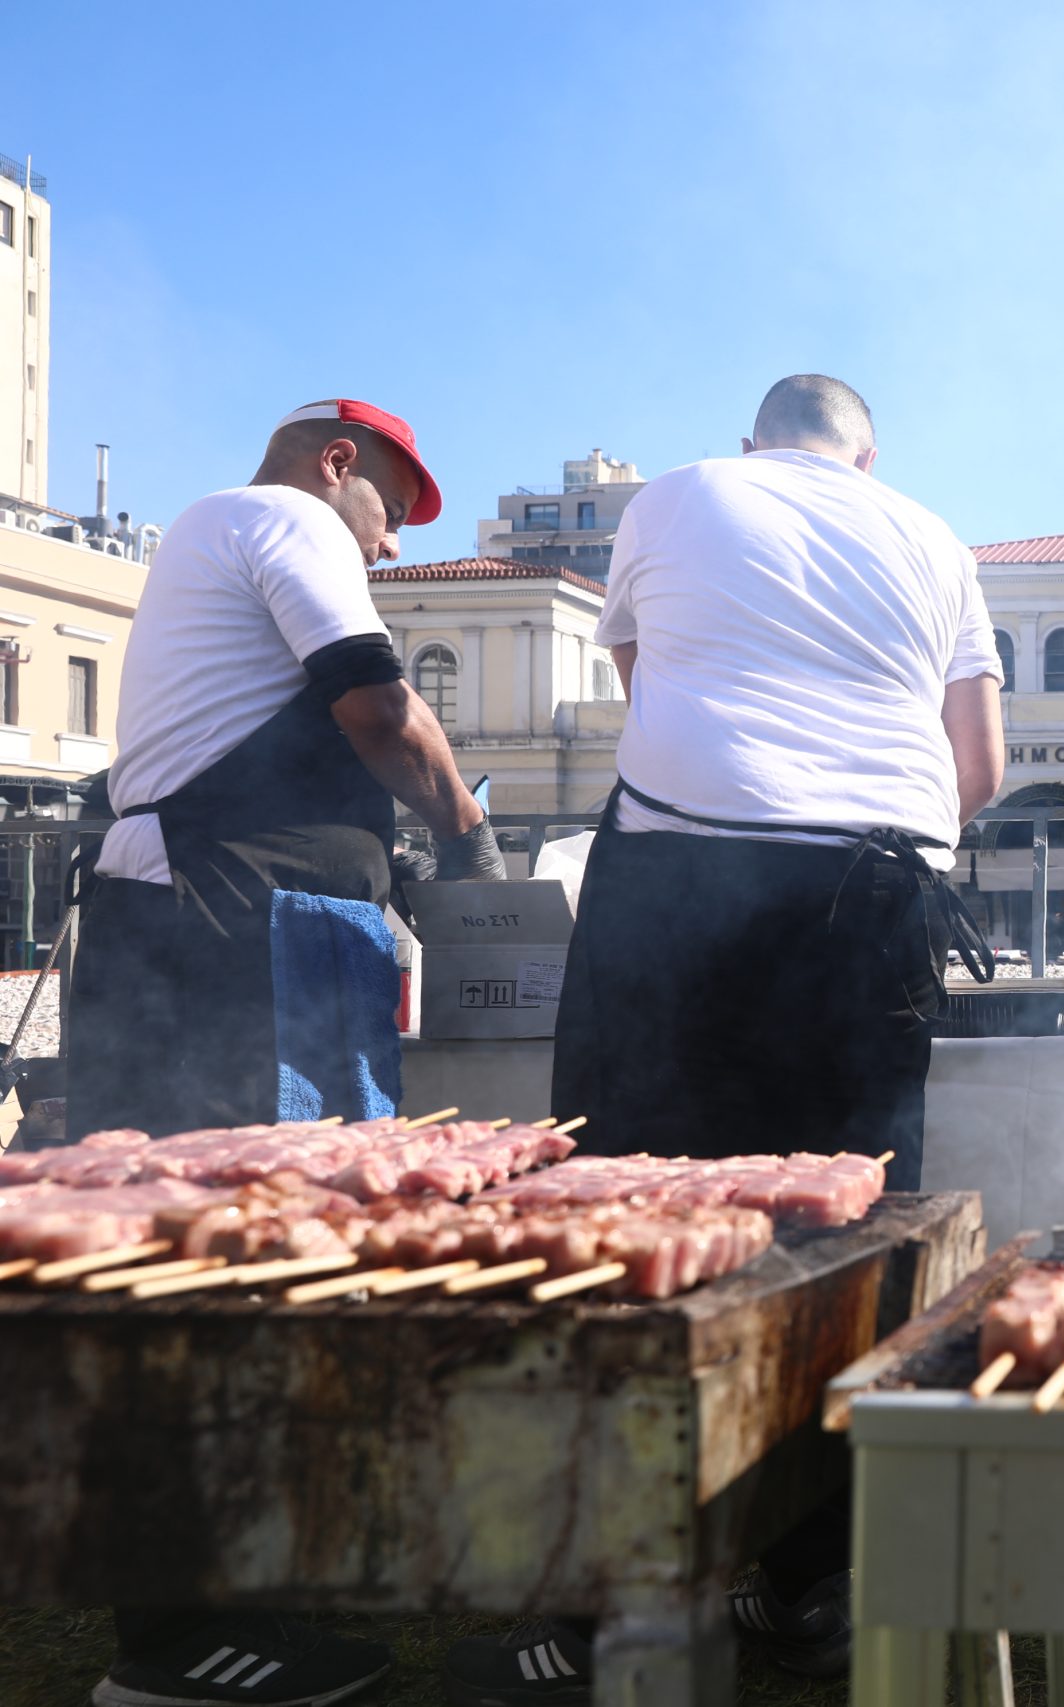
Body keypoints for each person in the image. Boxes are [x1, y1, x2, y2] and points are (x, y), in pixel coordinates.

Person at [441, 375, 1002, 1700]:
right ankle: (807, 1572)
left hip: (684, 872)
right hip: (874, 888)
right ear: (868, 454)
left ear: (762, 442)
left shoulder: (679, 494)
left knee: (628, 1200)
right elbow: (974, 767)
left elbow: (649, 688)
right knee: (847, 1220)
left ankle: (600, 1583)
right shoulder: (936, 537)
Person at [74, 400, 505, 1707]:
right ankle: (179, 1635)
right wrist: (474, 841)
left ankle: (252, 1585)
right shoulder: (282, 518)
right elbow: (381, 712)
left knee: (274, 1252)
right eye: (386, 512)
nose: (378, 546)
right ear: (338, 463)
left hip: (238, 922)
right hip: (214, 931)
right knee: (208, 1264)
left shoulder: (221, 537)